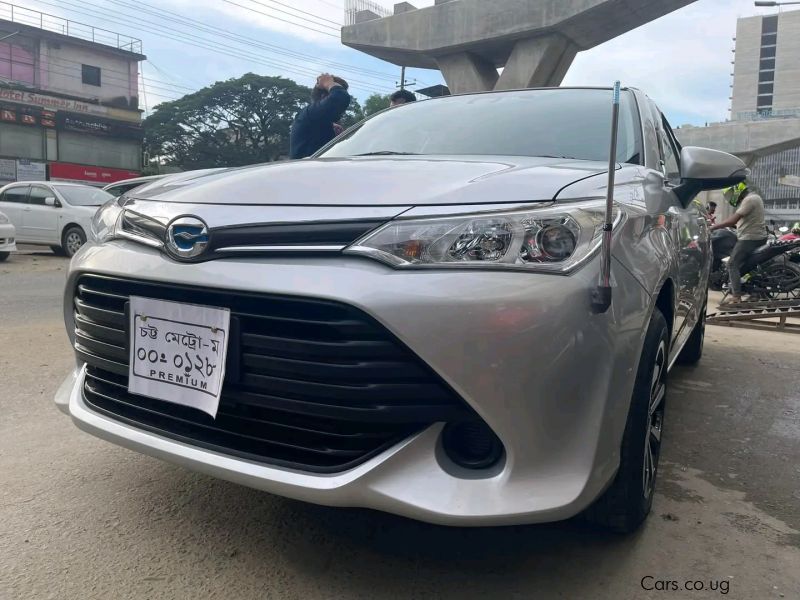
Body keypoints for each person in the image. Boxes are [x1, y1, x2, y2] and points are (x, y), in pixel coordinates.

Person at [711, 182, 767, 303]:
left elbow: (732, 220)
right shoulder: (754, 198)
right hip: (757, 236)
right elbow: (745, 221)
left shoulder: (749, 199)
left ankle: (736, 296)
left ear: (737, 190)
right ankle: (754, 292)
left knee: (732, 264)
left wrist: (713, 227)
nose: (730, 197)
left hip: (750, 238)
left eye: (731, 193)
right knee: (746, 264)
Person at [289, 73, 351, 159]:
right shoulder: (310, 114)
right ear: (324, 96)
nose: (343, 109)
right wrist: (328, 83)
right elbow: (339, 97)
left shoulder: (314, 119)